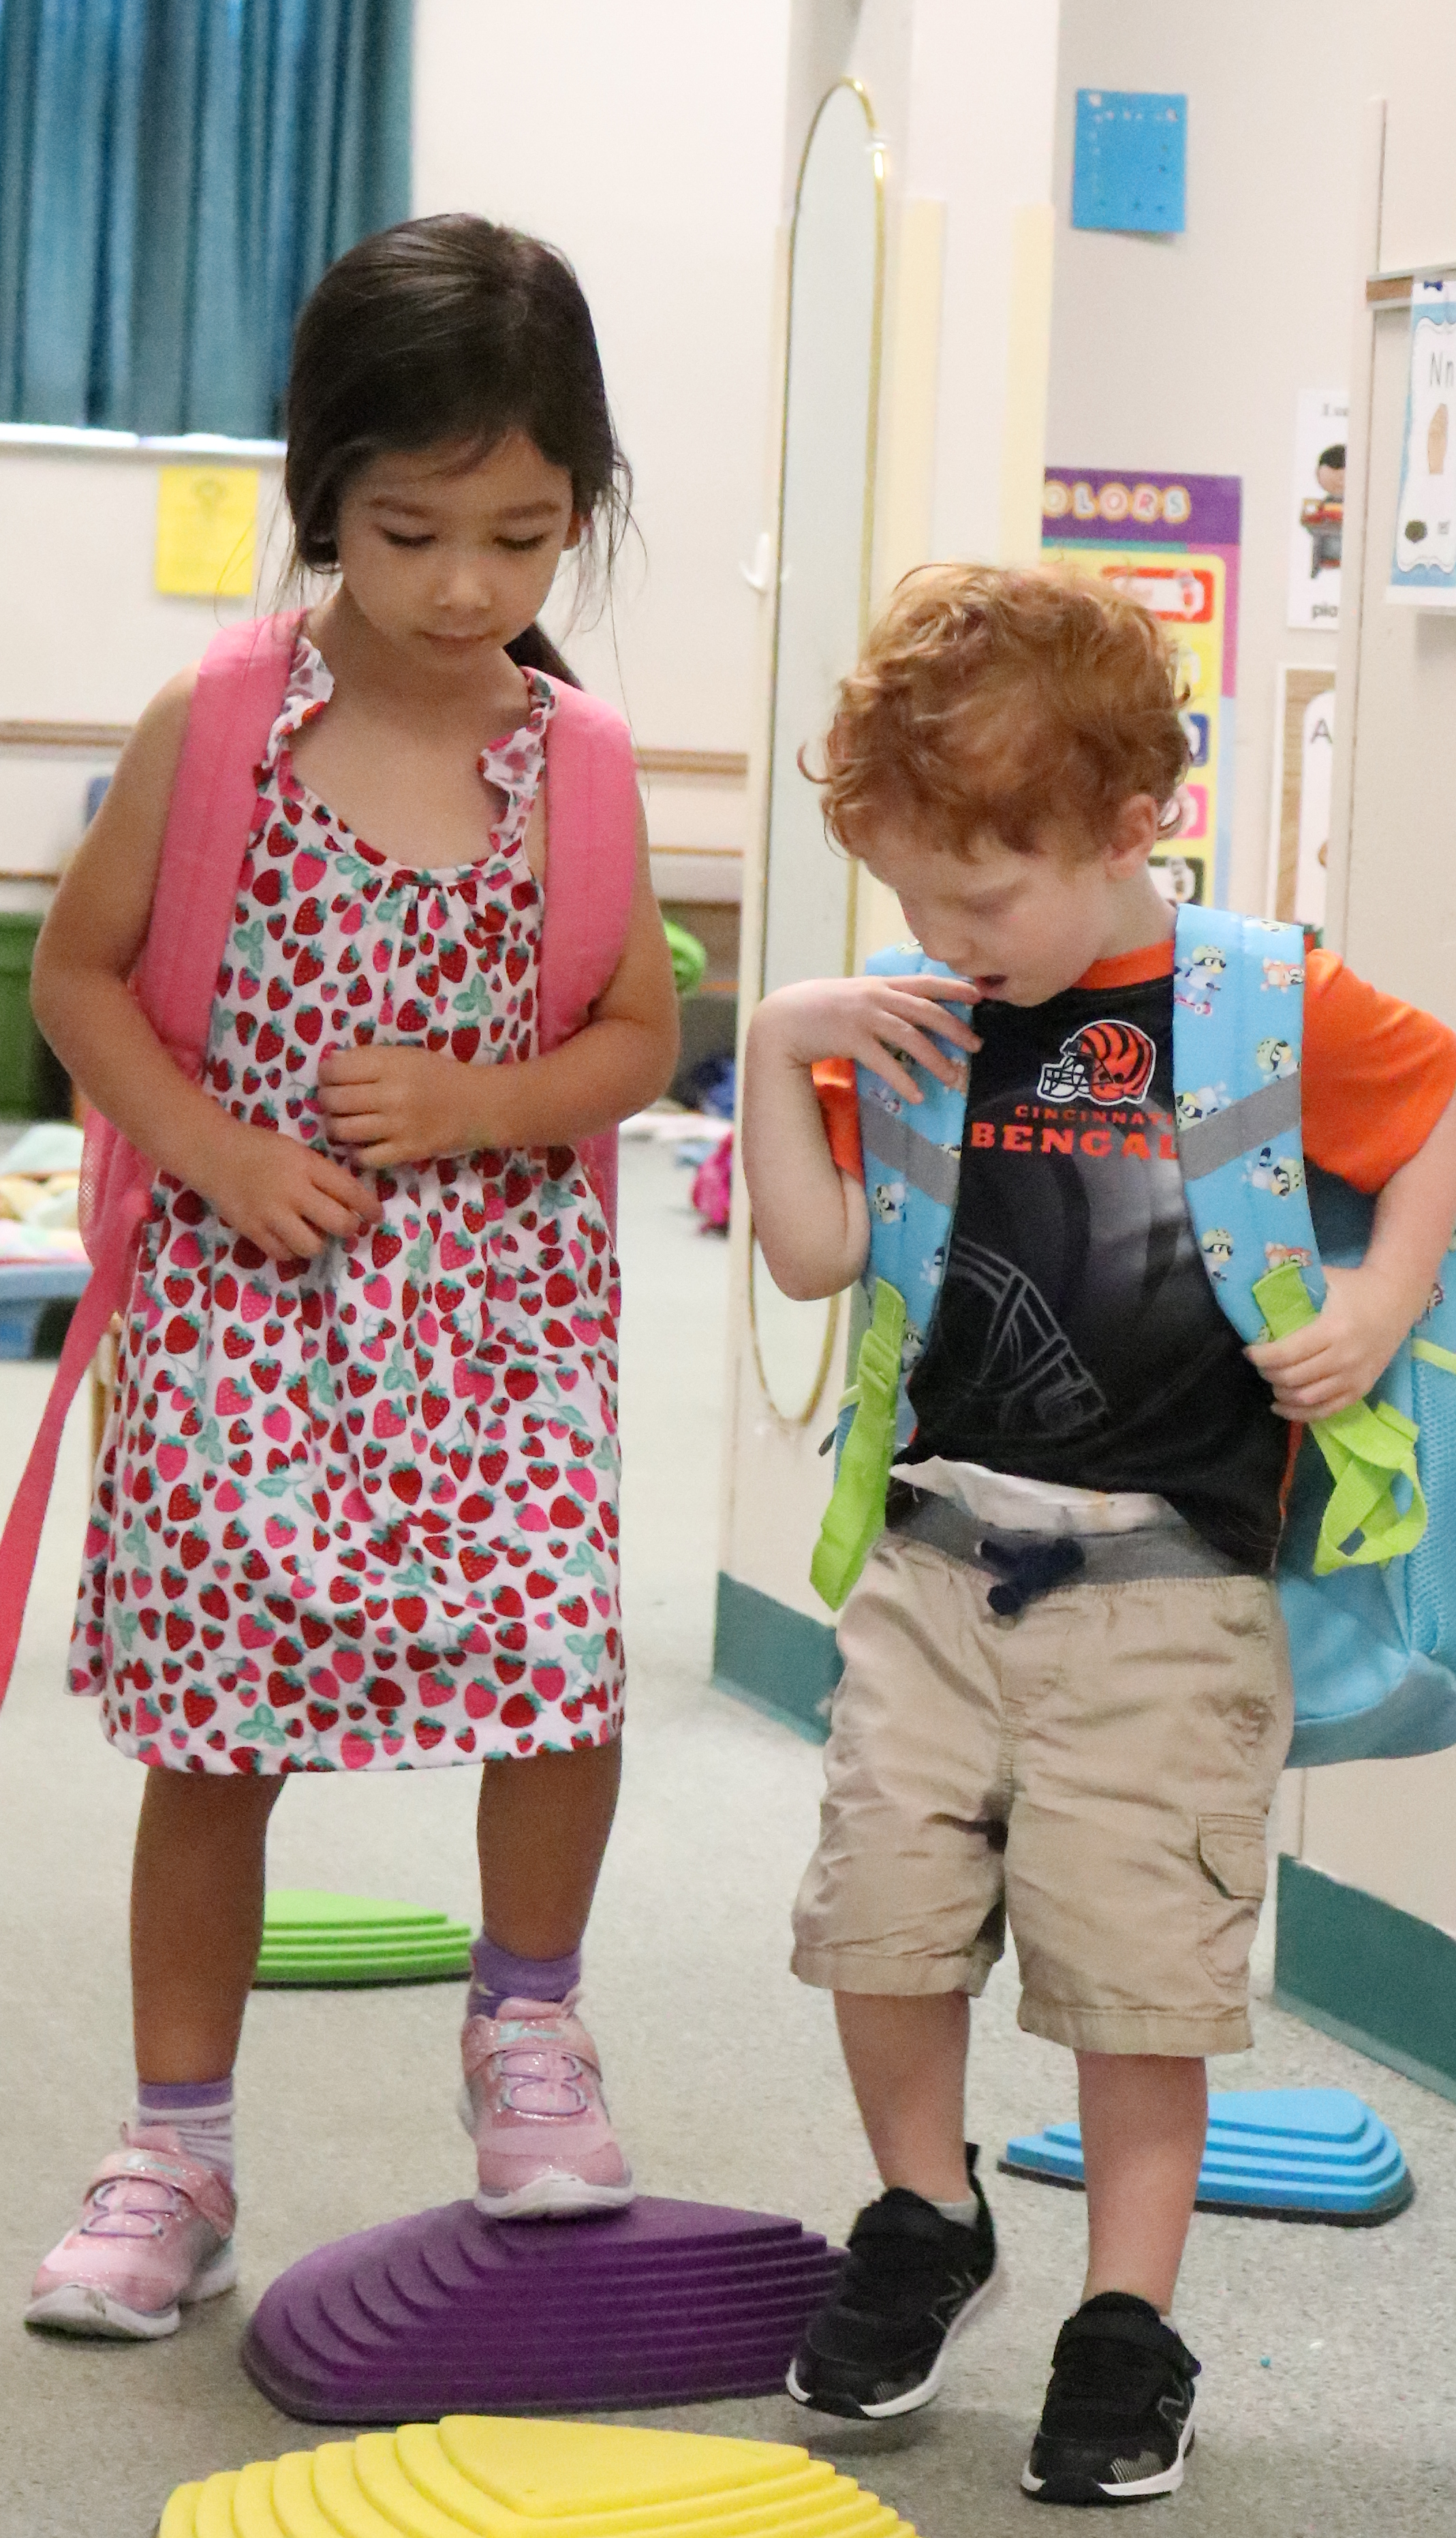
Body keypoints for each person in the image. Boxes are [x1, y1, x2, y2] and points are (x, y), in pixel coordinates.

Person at [740, 563, 1456, 2507]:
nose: (945, 939)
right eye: (910, 898)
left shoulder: (1258, 994)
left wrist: (1387, 1300)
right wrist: (777, 1040)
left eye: (985, 899)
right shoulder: (902, 1021)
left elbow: (1436, 1102)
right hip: (930, 1560)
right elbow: (814, 1254)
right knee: (880, 1915)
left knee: (1134, 1974)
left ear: (1129, 825)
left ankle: (1125, 2321)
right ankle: (924, 2214)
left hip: (1169, 1589)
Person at [24, 215, 679, 2340]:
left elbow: (636, 1040)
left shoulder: (575, 762)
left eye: (523, 530)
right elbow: (82, 976)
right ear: (326, 497)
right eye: (410, 531)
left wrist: (488, 1102)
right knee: (213, 1741)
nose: (469, 584)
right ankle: (174, 2146)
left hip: (493, 1330)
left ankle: (531, 2029)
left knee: (558, 1670)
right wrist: (212, 1146)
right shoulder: (216, 722)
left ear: (581, 507)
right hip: (238, 1320)